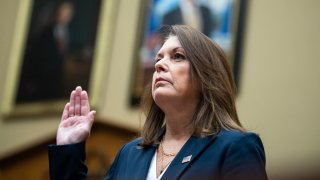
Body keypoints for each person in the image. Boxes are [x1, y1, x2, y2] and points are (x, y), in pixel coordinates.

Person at [48, 25, 268, 180]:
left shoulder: (236, 148)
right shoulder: (129, 154)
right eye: (158, 58)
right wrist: (70, 148)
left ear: (206, 77)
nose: (159, 65)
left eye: (177, 56)